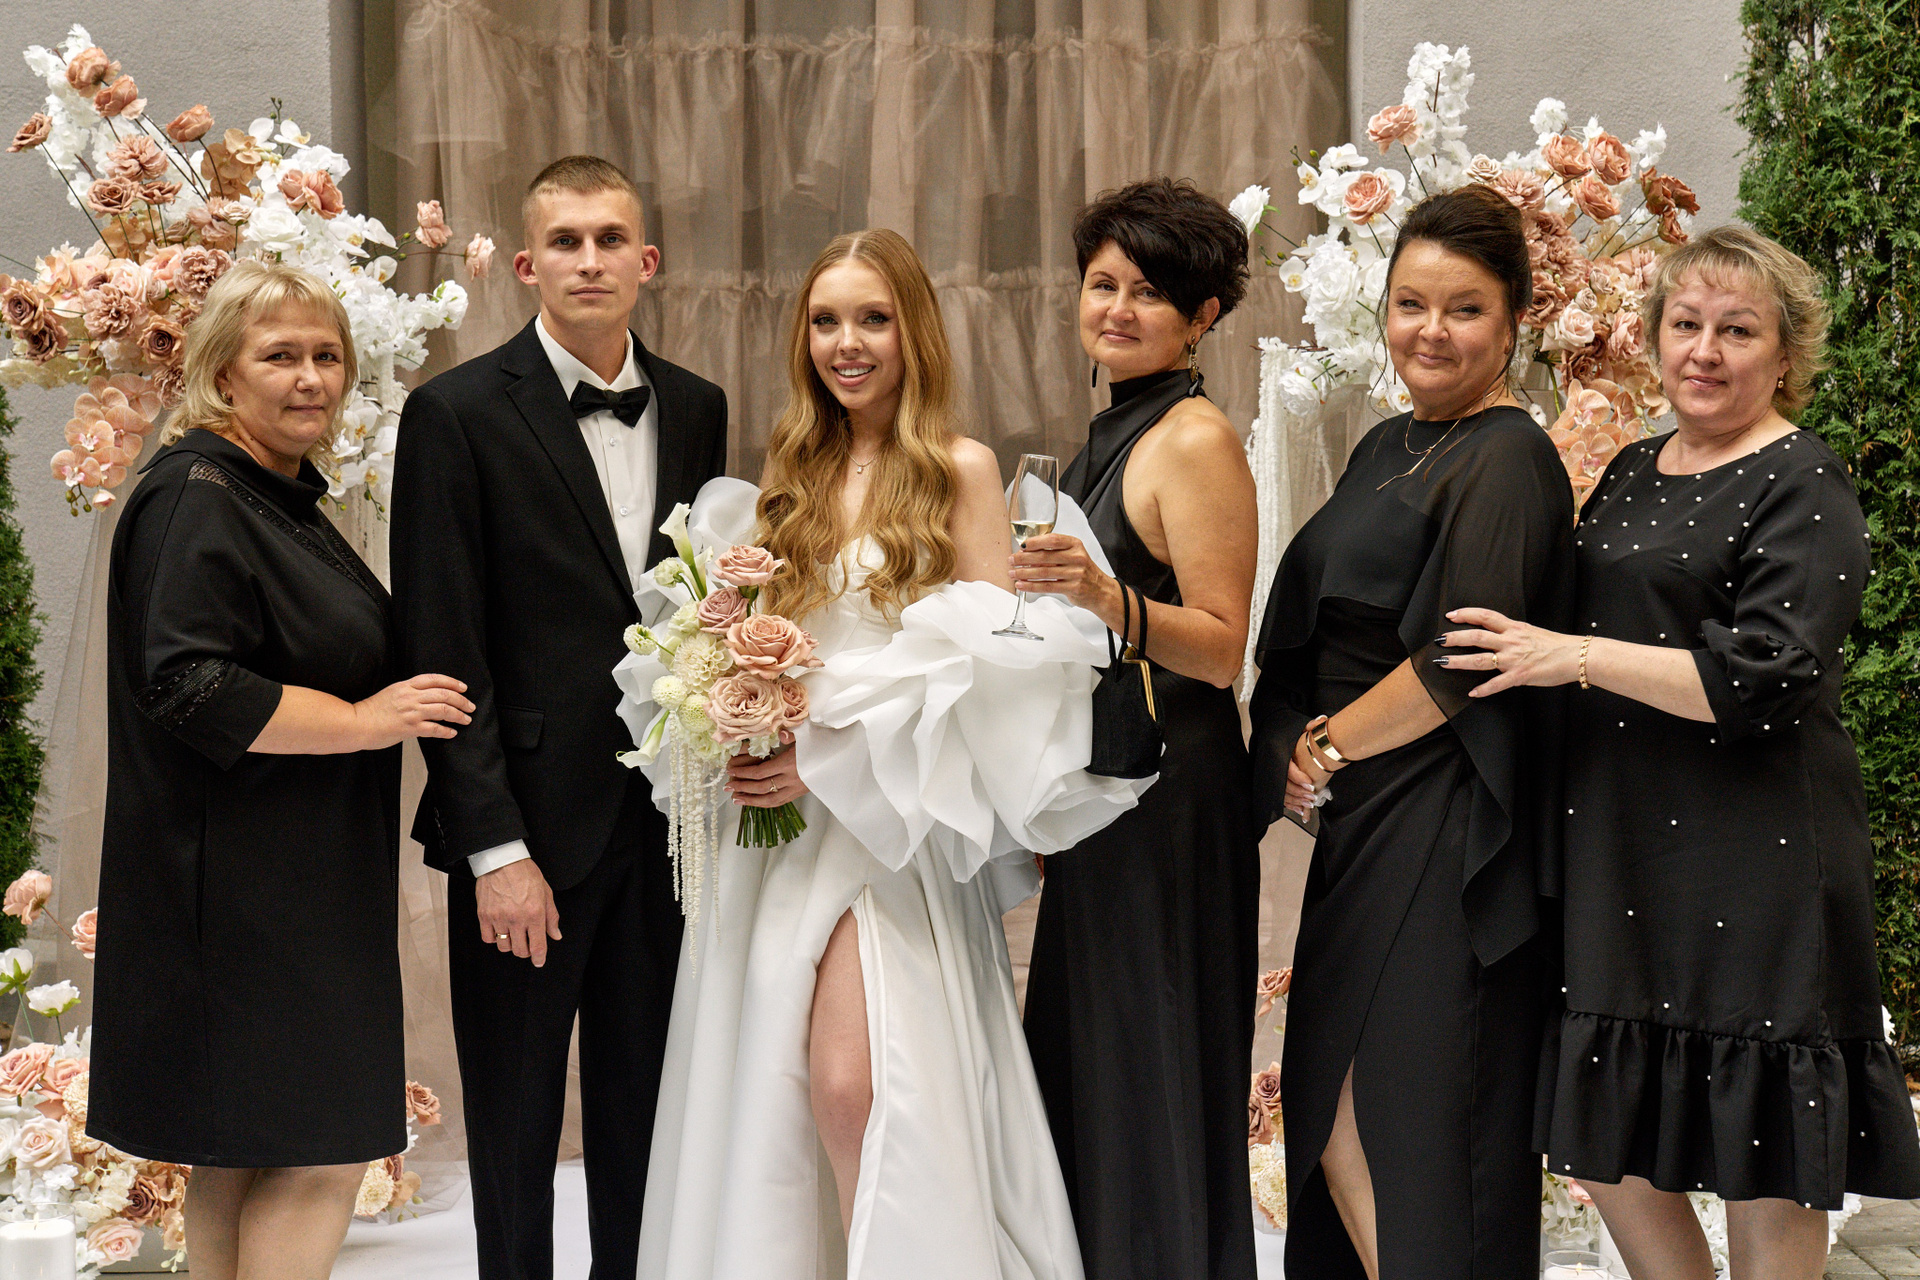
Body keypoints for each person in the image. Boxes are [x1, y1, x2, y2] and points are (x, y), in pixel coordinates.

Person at [637, 227, 1146, 1279]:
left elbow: (990, 670)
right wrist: (735, 714)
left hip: (888, 824)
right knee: (778, 1095)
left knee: (859, 1086)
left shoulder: (960, 469)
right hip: (779, 834)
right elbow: (755, 637)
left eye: (872, 318)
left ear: (912, 330)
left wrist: (823, 750)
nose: (847, 343)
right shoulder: (789, 472)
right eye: (826, 320)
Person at [1441, 225, 1920, 1277]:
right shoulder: (1630, 466)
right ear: (1655, 338)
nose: (1704, 350)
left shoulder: (1804, 479)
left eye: (1737, 330)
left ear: (1785, 355)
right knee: (1607, 1130)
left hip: (1759, 852)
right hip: (1622, 847)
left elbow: (1766, 675)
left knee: (1763, 1140)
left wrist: (1572, 656)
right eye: (1685, 324)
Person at [90, 261, 473, 1280]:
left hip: (280, 887)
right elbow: (188, 682)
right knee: (323, 1150)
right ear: (222, 374)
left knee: (242, 1157)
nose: (311, 378)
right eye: (280, 356)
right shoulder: (199, 494)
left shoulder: (267, 495)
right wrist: (364, 718)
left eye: (326, 356)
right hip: (250, 901)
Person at [389, 156, 728, 1280]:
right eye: (566, 241)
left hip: (664, 833)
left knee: (648, 1121)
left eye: (611, 239)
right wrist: (495, 850)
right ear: (527, 265)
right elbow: (444, 647)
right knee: (516, 1126)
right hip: (525, 833)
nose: (590, 260)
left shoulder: (698, 407)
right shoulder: (453, 413)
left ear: (648, 260)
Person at [1247, 184, 1574, 1277]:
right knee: (1332, 1103)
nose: (1431, 331)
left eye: (1464, 309)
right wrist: (1293, 745)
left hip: (1445, 819)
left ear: (1513, 322)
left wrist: (1327, 745)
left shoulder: (1510, 455)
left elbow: (1458, 660)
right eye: (1411, 304)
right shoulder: (1387, 443)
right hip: (1361, 825)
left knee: (1413, 1111)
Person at [1010, 177, 1261, 1280]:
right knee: (1101, 1061)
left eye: (1149, 293)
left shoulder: (1194, 438)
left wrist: (1102, 597)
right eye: (1103, 283)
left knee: (1150, 1063)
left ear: (1202, 317)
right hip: (1107, 796)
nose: (1117, 309)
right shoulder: (1119, 426)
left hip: (1171, 804)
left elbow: (1221, 647)